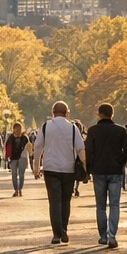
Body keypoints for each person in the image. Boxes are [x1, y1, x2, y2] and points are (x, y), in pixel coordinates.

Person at [32, 101, 86, 244]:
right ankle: (64, 229)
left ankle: (57, 233)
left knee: (54, 201)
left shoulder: (45, 127)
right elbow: (81, 149)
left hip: (50, 168)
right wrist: (86, 168)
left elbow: (37, 147)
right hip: (68, 169)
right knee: (65, 200)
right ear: (67, 113)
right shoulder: (73, 128)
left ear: (53, 112)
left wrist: (36, 167)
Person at [85, 103, 127, 248]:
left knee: (100, 206)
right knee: (114, 204)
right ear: (112, 114)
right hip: (115, 170)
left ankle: (103, 236)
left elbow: (89, 152)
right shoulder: (120, 130)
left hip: (99, 171)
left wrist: (88, 170)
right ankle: (112, 235)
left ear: (99, 114)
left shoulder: (93, 131)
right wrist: (120, 161)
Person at [6, 122, 32, 196]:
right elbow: (29, 147)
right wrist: (30, 155)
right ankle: (20, 190)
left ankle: (16, 190)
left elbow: (6, 146)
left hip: (13, 157)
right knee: (21, 174)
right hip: (23, 157)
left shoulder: (10, 137)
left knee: (14, 174)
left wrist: (6, 156)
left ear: (13, 129)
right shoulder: (25, 137)